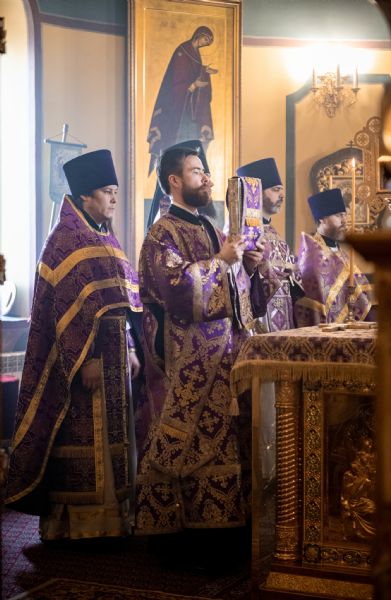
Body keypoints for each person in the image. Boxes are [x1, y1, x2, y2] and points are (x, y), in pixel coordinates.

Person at [135, 145, 266, 564]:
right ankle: (184, 537)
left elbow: (236, 292)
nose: (207, 178)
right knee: (187, 442)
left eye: (206, 170)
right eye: (196, 171)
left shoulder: (210, 226)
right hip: (185, 360)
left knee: (225, 439)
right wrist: (221, 262)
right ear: (174, 181)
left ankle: (225, 530)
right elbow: (177, 293)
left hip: (223, 357)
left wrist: (249, 266)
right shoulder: (161, 233)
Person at [5, 150, 143, 541]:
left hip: (115, 356)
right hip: (82, 363)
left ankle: (114, 519)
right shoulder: (64, 239)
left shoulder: (105, 236)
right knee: (84, 436)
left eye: (115, 191)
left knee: (115, 438)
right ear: (84, 194)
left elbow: (119, 301)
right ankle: (78, 526)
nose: (114, 198)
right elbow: (62, 312)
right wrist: (85, 361)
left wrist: (130, 346)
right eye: (106, 191)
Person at [237, 157, 303, 332]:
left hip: (284, 315)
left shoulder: (273, 231)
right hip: (261, 317)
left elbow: (294, 273)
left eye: (282, 190)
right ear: (257, 193)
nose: (282, 195)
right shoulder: (243, 231)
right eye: (275, 190)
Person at [295, 188, 375, 326]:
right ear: (322, 219)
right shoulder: (312, 256)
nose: (344, 220)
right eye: (338, 216)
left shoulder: (340, 253)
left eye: (345, 215)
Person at [147, 26, 217, 175]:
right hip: (179, 109)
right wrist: (193, 85)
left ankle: (190, 171)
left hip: (190, 109)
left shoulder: (195, 52)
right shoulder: (182, 51)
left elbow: (195, 71)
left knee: (192, 142)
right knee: (178, 142)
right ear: (199, 35)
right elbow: (177, 80)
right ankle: (178, 171)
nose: (205, 43)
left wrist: (205, 71)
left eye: (208, 43)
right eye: (205, 39)